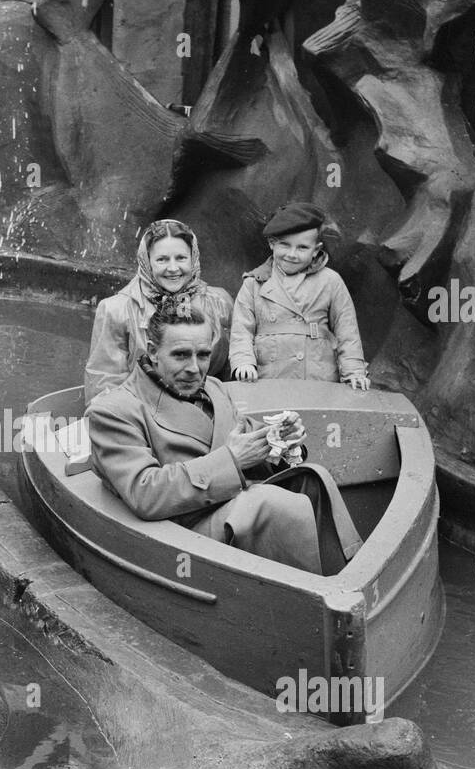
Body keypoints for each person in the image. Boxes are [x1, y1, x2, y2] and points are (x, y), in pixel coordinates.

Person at [85, 298, 362, 575]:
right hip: (180, 531)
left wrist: (282, 444)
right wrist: (231, 460)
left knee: (313, 478)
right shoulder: (114, 410)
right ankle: (309, 595)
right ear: (154, 351)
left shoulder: (214, 388)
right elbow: (145, 493)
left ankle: (347, 574)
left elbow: (248, 441)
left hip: (225, 504)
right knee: (266, 504)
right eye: (181, 355)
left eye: (203, 355)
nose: (195, 368)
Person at [83, 218, 233, 405]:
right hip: (142, 412)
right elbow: (103, 384)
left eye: (181, 258)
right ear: (146, 261)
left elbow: (231, 373)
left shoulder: (219, 302)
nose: (173, 268)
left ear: (193, 258)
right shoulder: (116, 309)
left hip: (206, 409)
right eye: (162, 259)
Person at [229, 202, 370, 389]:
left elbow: (347, 331)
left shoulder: (330, 281)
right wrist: (244, 362)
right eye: (285, 245)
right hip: (269, 381)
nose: (292, 254)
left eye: (302, 248)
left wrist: (354, 372)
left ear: (316, 250)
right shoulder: (254, 283)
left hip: (318, 379)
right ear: (272, 243)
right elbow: (241, 331)